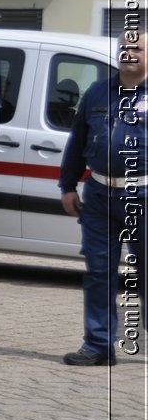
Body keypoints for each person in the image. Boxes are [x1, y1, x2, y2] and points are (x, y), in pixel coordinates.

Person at [58, 32, 145, 366]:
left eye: (136, 48)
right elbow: (76, 141)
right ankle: (98, 345)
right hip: (98, 195)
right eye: (124, 47)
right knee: (98, 271)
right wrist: (67, 185)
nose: (128, 53)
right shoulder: (97, 92)